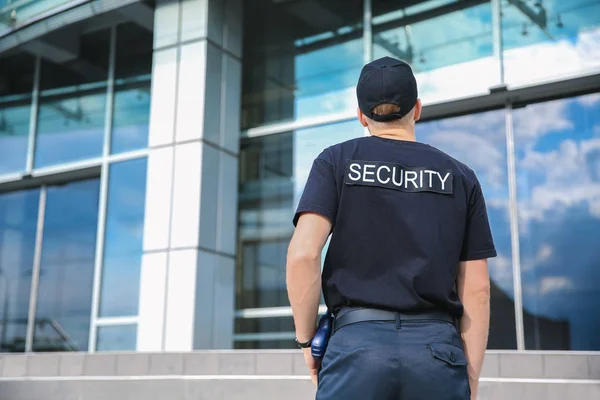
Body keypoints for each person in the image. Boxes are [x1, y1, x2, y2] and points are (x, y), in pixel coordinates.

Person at [286, 56, 495, 400]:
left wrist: (308, 340)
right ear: (417, 109)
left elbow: (303, 255)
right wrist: (470, 377)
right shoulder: (460, 176)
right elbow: (478, 289)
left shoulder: (335, 161)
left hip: (356, 350)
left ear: (360, 116)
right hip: (436, 355)